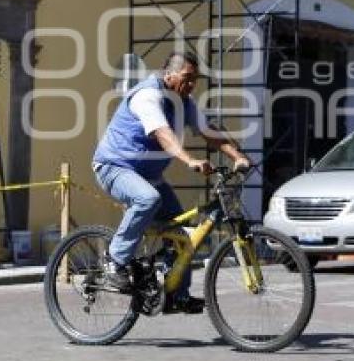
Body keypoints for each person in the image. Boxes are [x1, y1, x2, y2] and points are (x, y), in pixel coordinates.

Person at [93, 51, 250, 313]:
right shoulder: (147, 95)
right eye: (187, 78)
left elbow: (209, 131)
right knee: (147, 198)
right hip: (114, 167)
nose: (191, 85)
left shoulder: (184, 102)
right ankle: (114, 260)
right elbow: (163, 134)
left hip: (149, 176)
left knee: (182, 233)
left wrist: (239, 157)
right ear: (169, 75)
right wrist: (189, 160)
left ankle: (176, 294)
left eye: (195, 80)